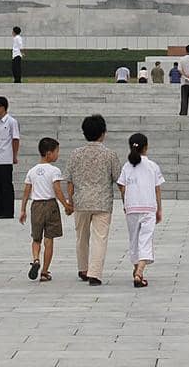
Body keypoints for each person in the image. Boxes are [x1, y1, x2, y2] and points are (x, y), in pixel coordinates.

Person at [63, 114, 121, 286]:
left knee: (81, 236)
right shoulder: (110, 154)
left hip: (81, 201)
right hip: (102, 202)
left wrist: (69, 201)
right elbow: (119, 179)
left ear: (84, 133)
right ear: (103, 133)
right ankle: (95, 273)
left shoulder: (75, 154)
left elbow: (69, 181)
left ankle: (83, 268)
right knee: (99, 238)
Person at [21, 137, 71, 283]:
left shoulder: (32, 171)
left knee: (36, 238)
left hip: (36, 206)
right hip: (50, 206)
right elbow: (57, 189)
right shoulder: (54, 170)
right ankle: (44, 271)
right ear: (49, 153)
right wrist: (66, 205)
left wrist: (23, 210)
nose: (57, 154)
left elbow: (26, 191)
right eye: (56, 152)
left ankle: (36, 259)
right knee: (49, 239)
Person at [118, 133, 165, 288]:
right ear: (146, 147)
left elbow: (122, 187)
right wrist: (159, 209)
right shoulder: (152, 166)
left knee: (134, 240)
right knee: (145, 239)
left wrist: (125, 203)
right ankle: (139, 272)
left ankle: (136, 269)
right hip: (148, 207)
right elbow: (157, 189)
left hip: (132, 207)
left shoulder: (127, 166)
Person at [0, 96, 20, 219]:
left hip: (6, 157)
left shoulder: (11, 121)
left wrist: (14, 155)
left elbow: (15, 139)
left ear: (2, 107)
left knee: (6, 185)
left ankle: (7, 211)